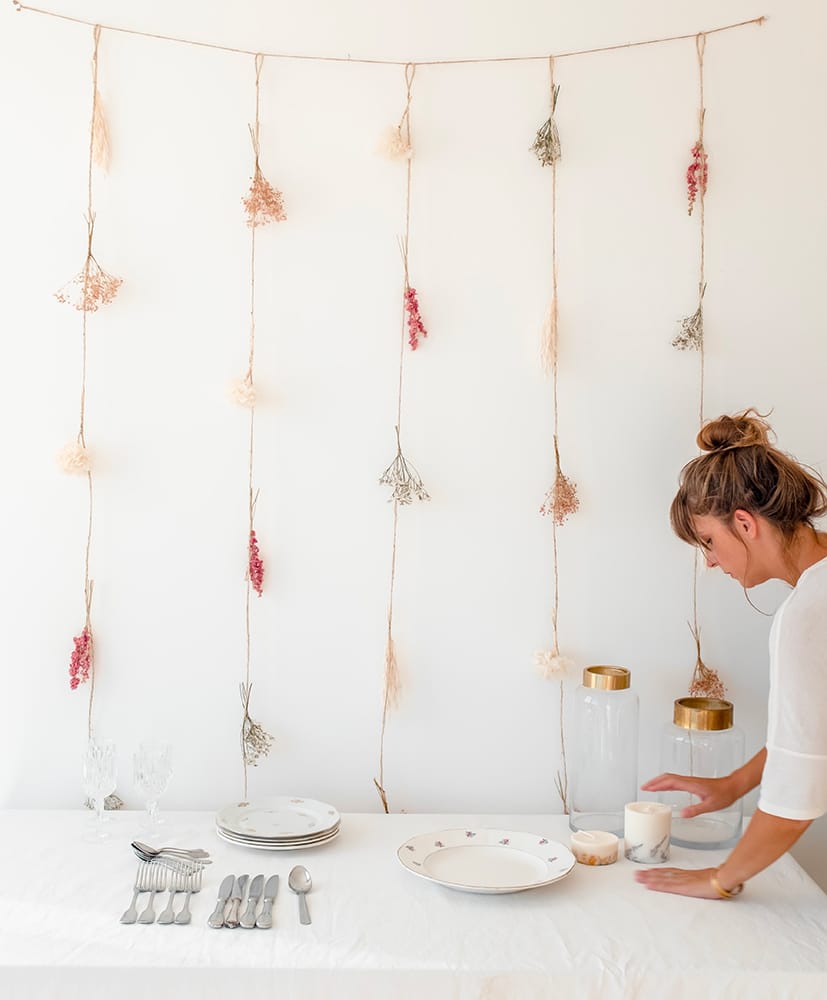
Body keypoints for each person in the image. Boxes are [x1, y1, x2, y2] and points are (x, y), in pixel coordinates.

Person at [635, 409, 827, 899]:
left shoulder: (807, 615)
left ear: (744, 523)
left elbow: (795, 800)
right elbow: (811, 734)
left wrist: (720, 878)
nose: (711, 561)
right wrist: (734, 785)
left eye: (708, 541)